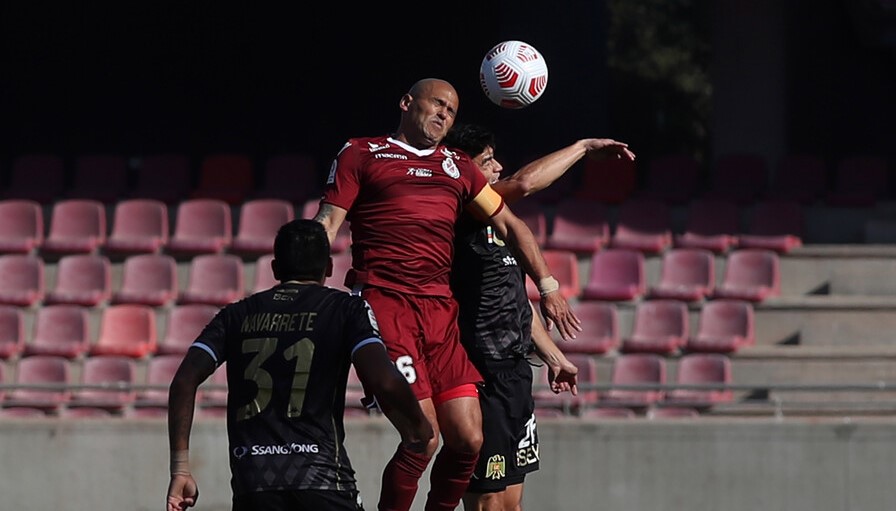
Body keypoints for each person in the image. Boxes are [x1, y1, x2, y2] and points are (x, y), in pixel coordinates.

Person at [313, 78, 582, 511]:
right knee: (423, 437)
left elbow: (512, 224)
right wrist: (311, 290)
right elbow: (327, 222)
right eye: (437, 103)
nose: (444, 114)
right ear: (406, 102)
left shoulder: (458, 166)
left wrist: (548, 286)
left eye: (452, 110)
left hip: (441, 313)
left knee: (469, 438)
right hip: (386, 303)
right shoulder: (361, 153)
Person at [166, 219, 433, 511]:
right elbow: (385, 380)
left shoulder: (235, 315)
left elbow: (183, 382)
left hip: (254, 486)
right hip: (322, 480)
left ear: (275, 269)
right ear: (329, 268)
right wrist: (420, 427)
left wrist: (180, 468)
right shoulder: (346, 309)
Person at [444, 123, 636, 511]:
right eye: (487, 161)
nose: (497, 167)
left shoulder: (500, 228)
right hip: (482, 373)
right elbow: (524, 182)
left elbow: (515, 301)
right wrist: (582, 147)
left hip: (515, 373)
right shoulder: (462, 211)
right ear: (465, 169)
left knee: (512, 503)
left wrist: (552, 355)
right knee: (487, 504)